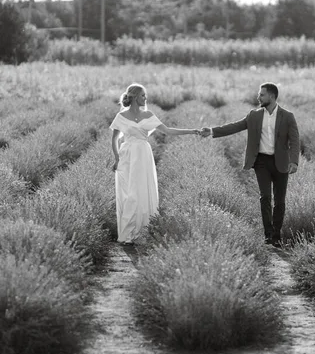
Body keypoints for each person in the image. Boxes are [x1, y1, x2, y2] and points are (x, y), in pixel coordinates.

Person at [201, 82, 299, 247]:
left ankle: (277, 235)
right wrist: (211, 131)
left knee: (280, 201)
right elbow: (235, 126)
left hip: (280, 162)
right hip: (261, 161)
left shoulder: (287, 116)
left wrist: (294, 161)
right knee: (265, 197)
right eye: (259, 94)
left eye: (262, 94)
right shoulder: (254, 115)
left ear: (272, 96)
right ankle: (268, 235)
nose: (258, 97)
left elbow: (295, 140)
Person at [110, 83, 200, 245]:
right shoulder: (121, 117)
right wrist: (117, 158)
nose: (146, 98)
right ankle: (127, 232)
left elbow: (168, 130)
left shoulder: (149, 115)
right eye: (143, 95)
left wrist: (192, 131)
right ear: (135, 97)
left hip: (143, 155)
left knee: (141, 191)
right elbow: (114, 139)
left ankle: (141, 231)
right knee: (128, 193)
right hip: (127, 155)